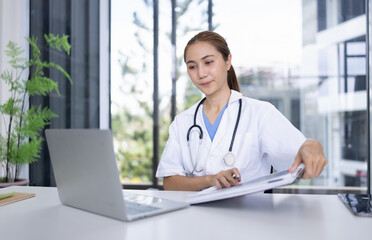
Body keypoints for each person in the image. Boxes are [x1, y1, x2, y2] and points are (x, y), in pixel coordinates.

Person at [156, 31, 327, 191]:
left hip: (250, 219)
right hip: (195, 220)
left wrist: (312, 146)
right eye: (192, 66)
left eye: (208, 62)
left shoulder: (261, 113)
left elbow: (301, 167)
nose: (201, 73)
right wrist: (210, 180)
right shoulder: (183, 122)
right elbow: (170, 183)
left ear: (228, 61)